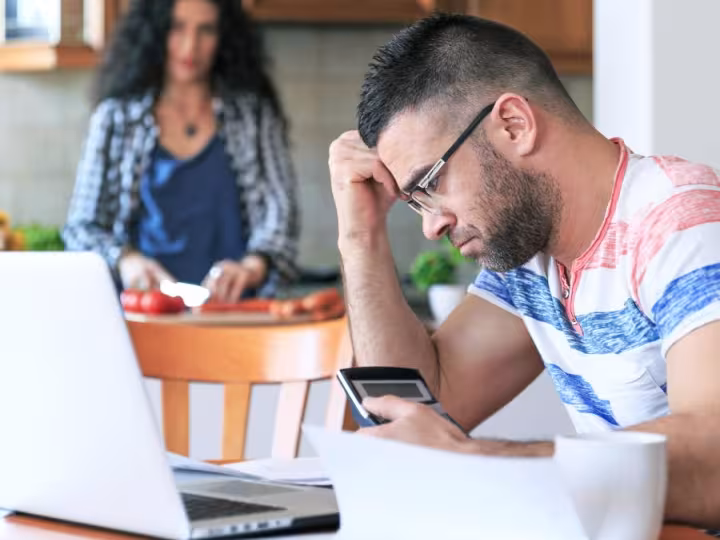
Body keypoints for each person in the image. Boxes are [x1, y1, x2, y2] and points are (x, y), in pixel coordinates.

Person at [328, 13, 720, 529]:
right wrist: (360, 238)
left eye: (431, 183)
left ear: (514, 124)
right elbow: (421, 407)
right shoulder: (531, 258)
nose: (431, 226)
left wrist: (477, 461)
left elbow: (716, 459)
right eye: (414, 202)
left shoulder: (680, 222)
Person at [63, 0, 299, 302]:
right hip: (141, 316)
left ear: (224, 37)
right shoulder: (115, 119)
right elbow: (83, 228)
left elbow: (281, 216)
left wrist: (252, 267)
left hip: (236, 318)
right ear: (155, 32)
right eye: (177, 28)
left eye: (206, 30)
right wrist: (127, 260)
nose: (191, 46)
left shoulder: (253, 117)